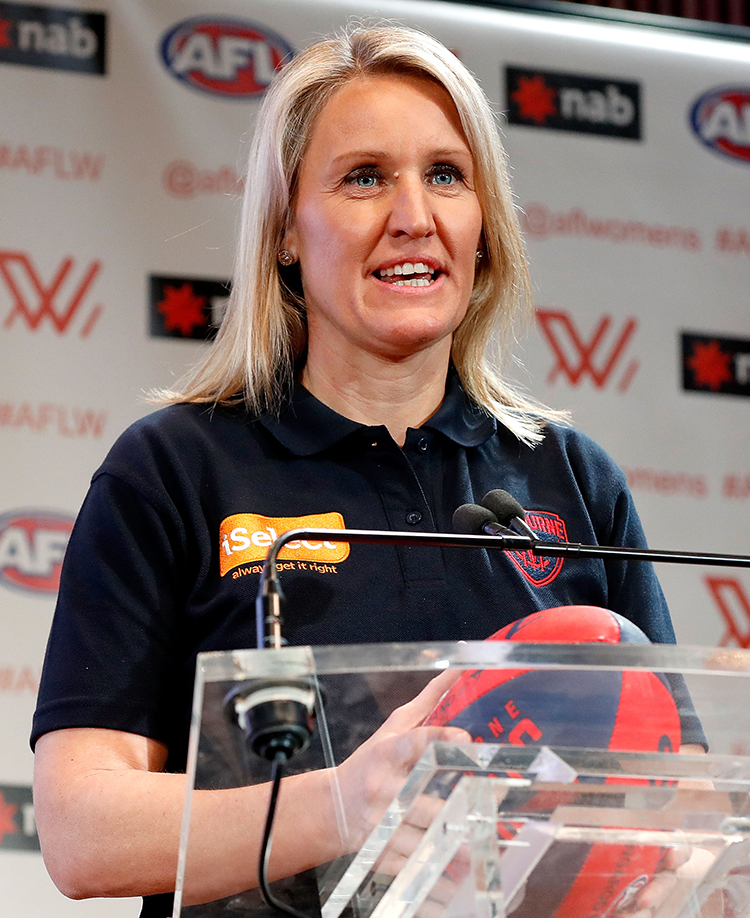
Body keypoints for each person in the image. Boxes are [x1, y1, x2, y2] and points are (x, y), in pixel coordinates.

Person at [31, 24, 702, 918]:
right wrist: (343, 804)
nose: (413, 216)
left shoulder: (574, 480)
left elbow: (686, 794)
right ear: (285, 233)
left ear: (484, 229)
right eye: (364, 177)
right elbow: (81, 832)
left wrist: (672, 862)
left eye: (446, 175)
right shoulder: (173, 470)